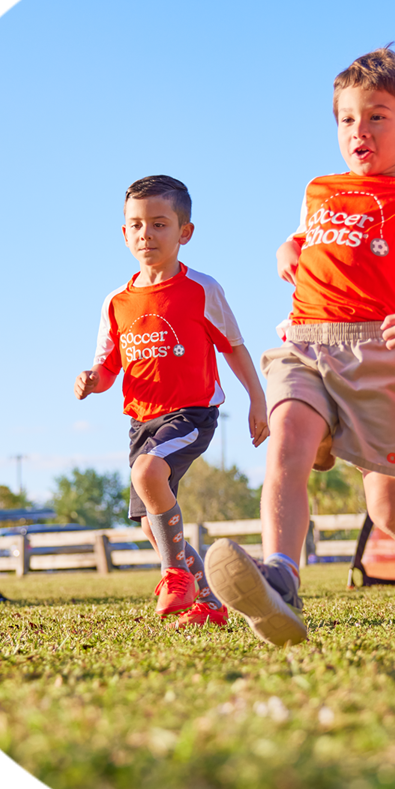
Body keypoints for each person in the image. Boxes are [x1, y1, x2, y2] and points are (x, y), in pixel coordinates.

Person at [205, 47, 395, 646]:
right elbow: (301, 235)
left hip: (380, 355)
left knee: (388, 510)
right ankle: (281, 577)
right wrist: (286, 252)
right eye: (347, 119)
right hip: (305, 341)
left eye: (377, 116)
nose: (360, 130)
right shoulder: (320, 187)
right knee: (288, 444)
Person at [74, 175, 268, 628]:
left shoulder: (202, 289)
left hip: (191, 415)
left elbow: (234, 347)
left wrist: (258, 400)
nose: (147, 235)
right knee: (151, 525)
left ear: (185, 232)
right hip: (142, 423)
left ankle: (175, 574)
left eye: (159, 224)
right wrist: (91, 380)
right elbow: (108, 369)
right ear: (124, 233)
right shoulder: (115, 302)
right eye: (137, 226)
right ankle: (211, 602)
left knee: (147, 474)